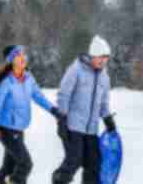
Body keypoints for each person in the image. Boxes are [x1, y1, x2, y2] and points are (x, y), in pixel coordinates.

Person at [0, 45, 62, 184]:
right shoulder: (6, 81)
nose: (23, 57)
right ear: (11, 60)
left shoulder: (28, 78)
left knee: (8, 167)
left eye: (23, 54)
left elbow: (38, 96)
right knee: (25, 164)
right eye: (18, 55)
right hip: (6, 130)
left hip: (19, 130)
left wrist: (54, 110)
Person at [52, 35, 118, 184]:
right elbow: (64, 95)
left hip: (91, 129)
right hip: (74, 126)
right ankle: (58, 180)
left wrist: (108, 119)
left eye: (106, 58)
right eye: (101, 57)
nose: (103, 61)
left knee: (94, 163)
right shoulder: (76, 70)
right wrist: (61, 120)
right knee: (74, 161)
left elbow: (103, 103)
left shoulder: (104, 77)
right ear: (92, 55)